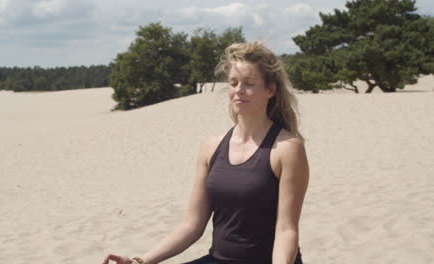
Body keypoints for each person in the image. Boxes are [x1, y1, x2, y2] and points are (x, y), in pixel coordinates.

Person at [102, 41, 309, 264]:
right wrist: (141, 261)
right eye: (233, 83)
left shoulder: (287, 148)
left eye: (249, 83)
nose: (239, 90)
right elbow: (192, 225)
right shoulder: (211, 147)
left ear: (270, 89)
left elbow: (286, 230)